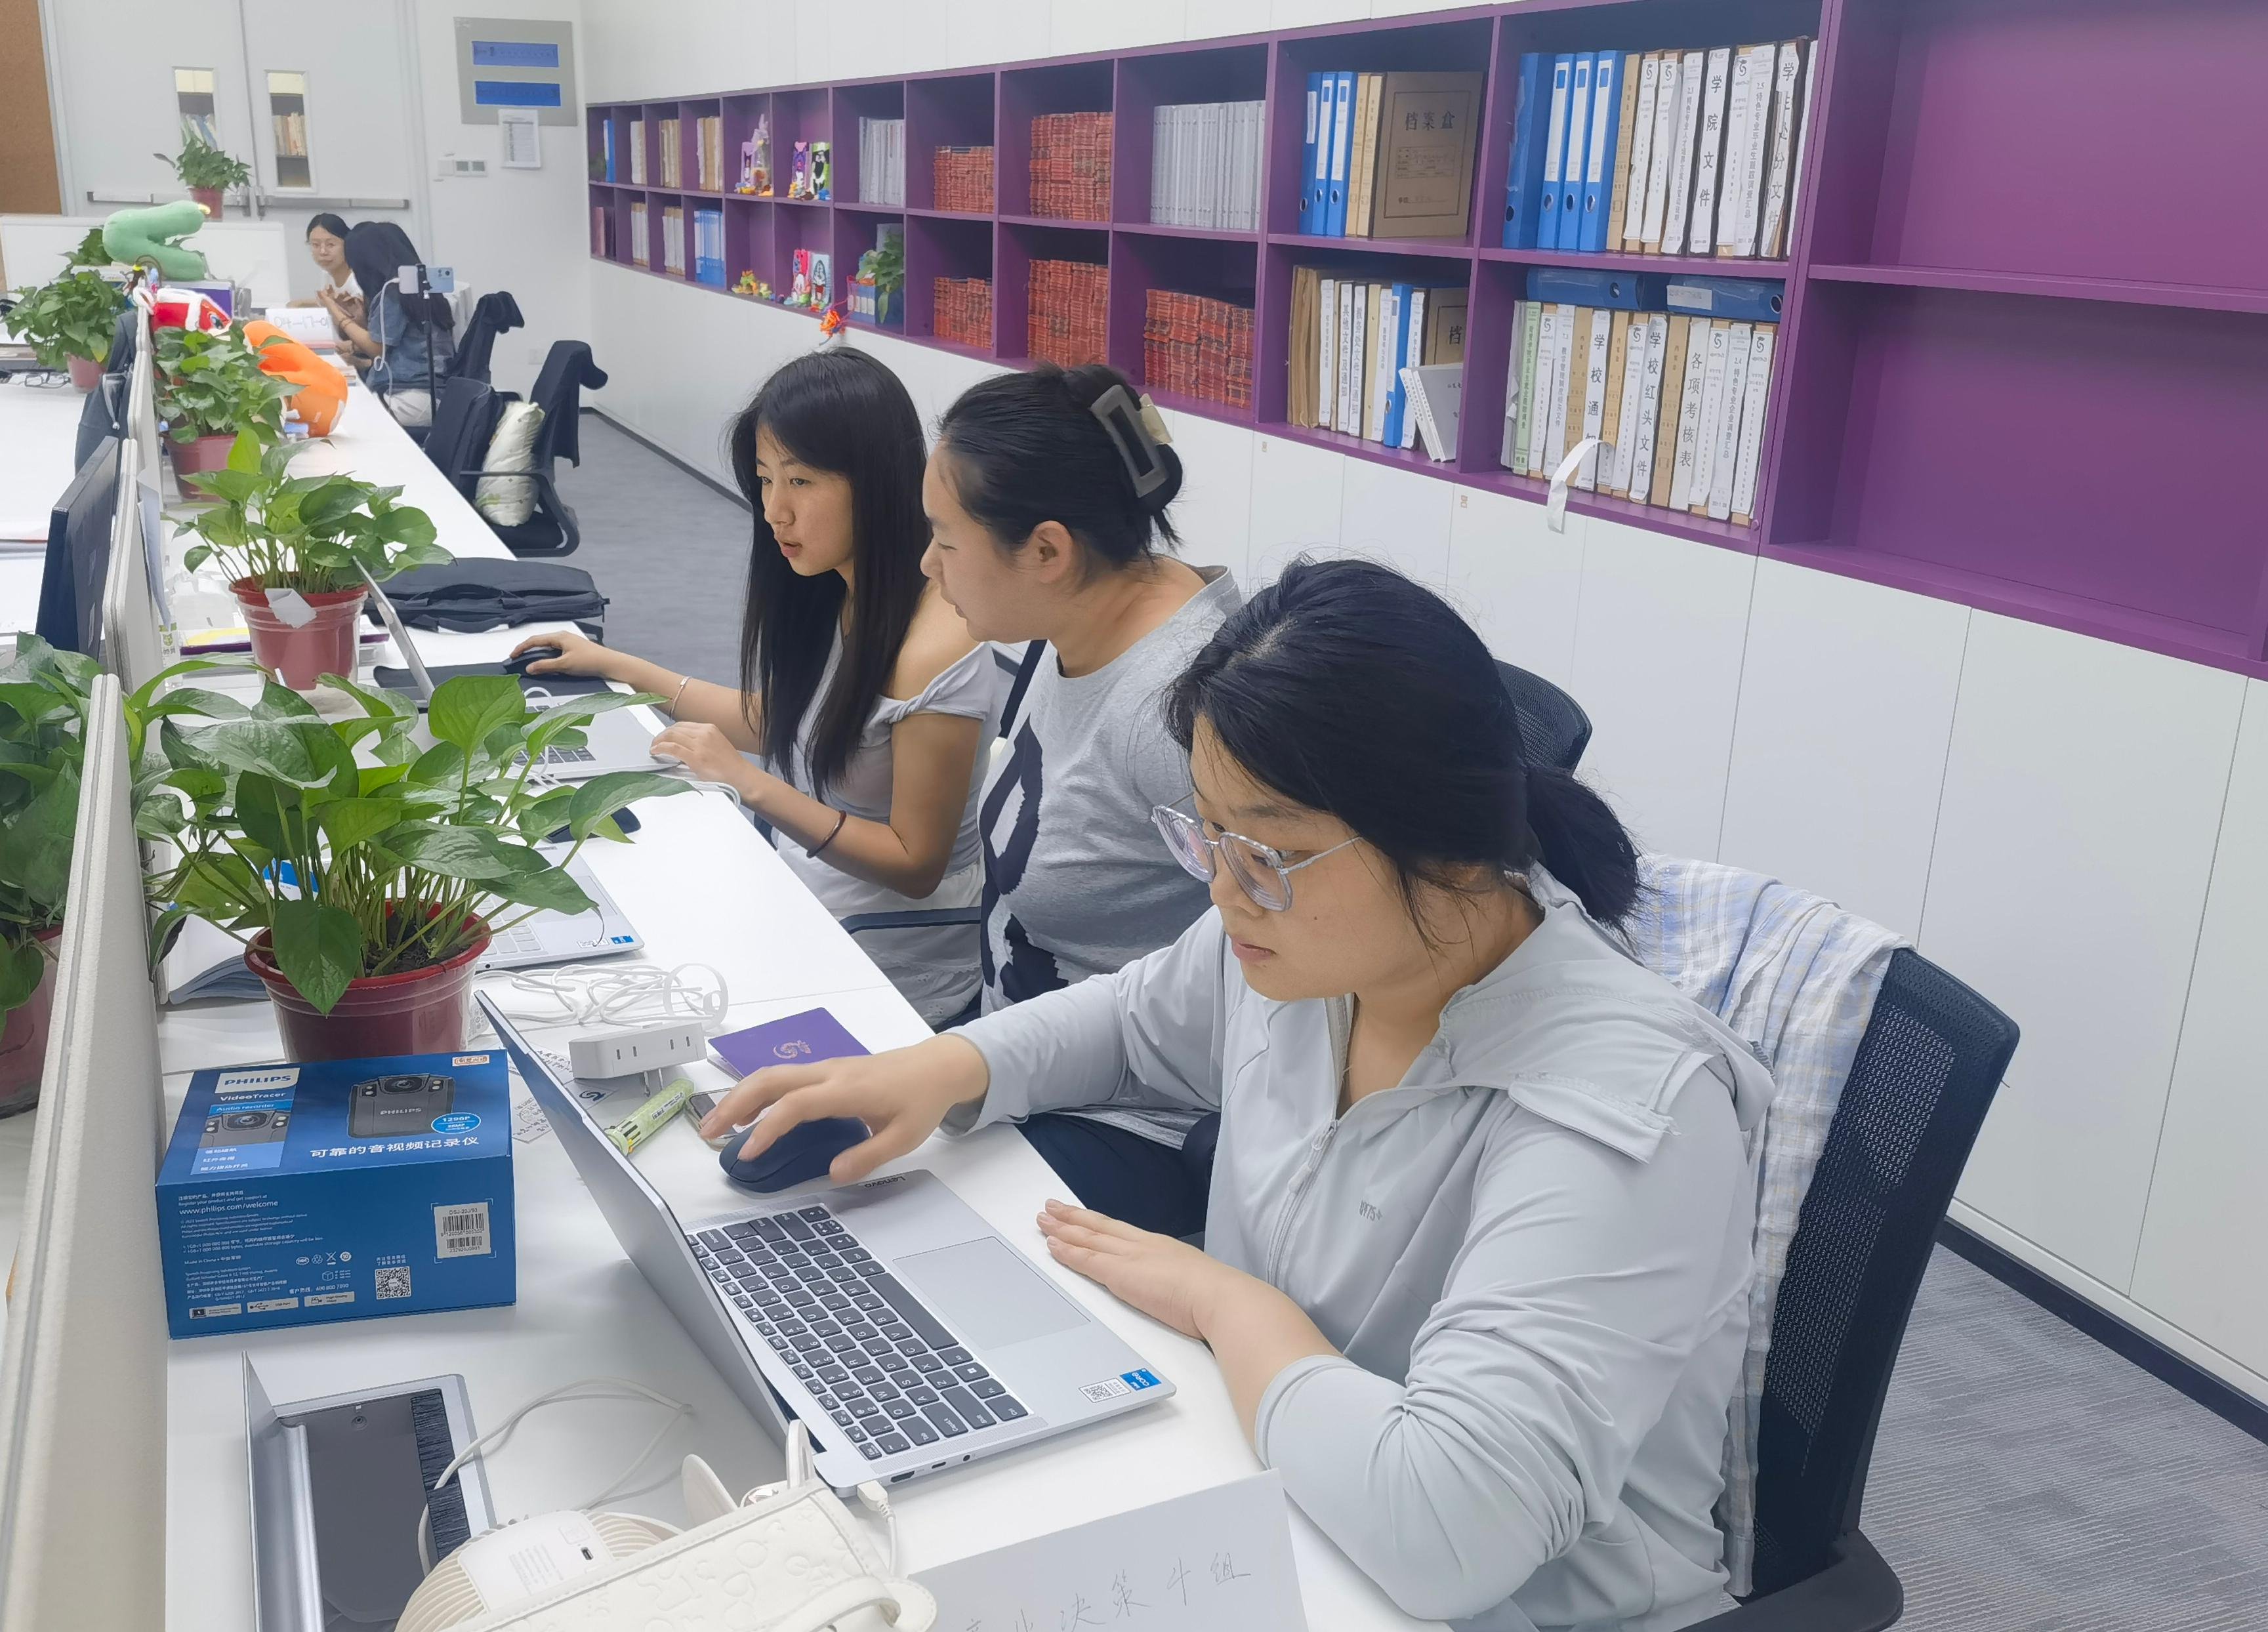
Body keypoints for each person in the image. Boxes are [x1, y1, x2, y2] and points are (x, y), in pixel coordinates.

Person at [699, 559, 1774, 1631]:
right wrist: (940, 1070)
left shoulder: (1623, 1116)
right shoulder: (1314, 949)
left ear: (1446, 845)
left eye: (1268, 850)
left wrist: (1229, 1306)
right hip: (1279, 1500)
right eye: (1206, 833)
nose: (1222, 887)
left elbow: (1450, 1530)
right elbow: (1130, 1021)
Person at [510, 348, 998, 1023]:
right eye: (766, 480)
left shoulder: (932, 648)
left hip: (887, 958)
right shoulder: (841, 588)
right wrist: (615, 664)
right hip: (805, 892)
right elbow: (787, 721)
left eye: (800, 481)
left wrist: (748, 783)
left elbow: (915, 866)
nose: (775, 511)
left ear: (875, 480)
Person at [325, 220, 455, 424]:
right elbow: (401, 347)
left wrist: (336, 313)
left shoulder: (393, 292)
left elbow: (377, 349)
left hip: (411, 396)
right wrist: (363, 324)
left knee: (337, 416)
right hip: (429, 394)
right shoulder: (420, 287)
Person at [290, 213, 359, 321]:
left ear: (347, 244)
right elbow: (330, 304)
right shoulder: (327, 274)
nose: (323, 252)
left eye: (330, 245)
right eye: (316, 245)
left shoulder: (358, 280)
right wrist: (301, 303)